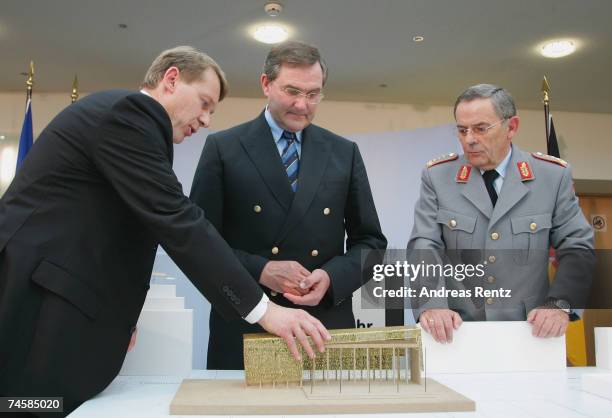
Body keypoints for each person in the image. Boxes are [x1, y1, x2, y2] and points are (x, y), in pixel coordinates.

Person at [0, 46, 330, 416]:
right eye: (204, 103)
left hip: (60, 307)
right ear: (171, 79)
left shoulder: (135, 127)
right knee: (26, 408)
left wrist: (122, 315)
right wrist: (264, 310)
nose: (206, 120)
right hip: (37, 305)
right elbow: (178, 220)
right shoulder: (130, 114)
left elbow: (126, 234)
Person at [190, 41, 387, 369]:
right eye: (292, 91)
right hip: (247, 322)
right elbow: (199, 243)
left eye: (313, 94)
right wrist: (262, 269)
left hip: (323, 326)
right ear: (266, 84)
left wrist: (331, 278)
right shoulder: (224, 148)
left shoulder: (343, 152)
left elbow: (372, 244)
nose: (302, 104)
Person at [408, 84, 594, 344]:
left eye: (481, 128)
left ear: (512, 127)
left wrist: (559, 304)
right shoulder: (438, 176)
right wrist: (430, 303)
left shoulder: (551, 176)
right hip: (458, 333)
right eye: (462, 130)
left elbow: (577, 246)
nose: (469, 139)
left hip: (531, 334)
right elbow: (424, 245)